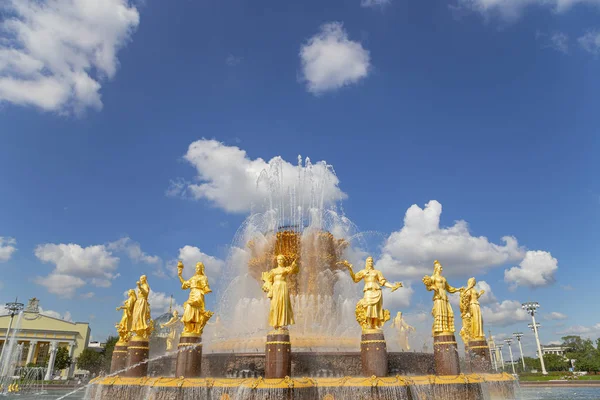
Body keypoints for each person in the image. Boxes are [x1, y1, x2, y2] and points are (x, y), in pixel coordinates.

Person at [338, 256, 402, 331]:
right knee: (368, 306)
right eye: (368, 261)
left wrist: (392, 286)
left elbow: (383, 282)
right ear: (366, 262)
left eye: (371, 261)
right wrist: (350, 269)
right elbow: (355, 279)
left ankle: (375, 325)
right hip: (368, 291)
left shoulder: (377, 272)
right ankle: (368, 324)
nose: (370, 262)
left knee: (376, 308)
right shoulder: (363, 271)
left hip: (377, 290)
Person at [422, 260, 461, 335]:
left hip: (444, 296)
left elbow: (449, 288)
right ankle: (439, 329)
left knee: (448, 312)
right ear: (436, 268)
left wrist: (458, 289)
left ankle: (446, 328)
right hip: (438, 297)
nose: (441, 269)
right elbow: (428, 287)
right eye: (440, 267)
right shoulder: (433, 277)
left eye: (441, 268)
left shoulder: (443, 278)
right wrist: (432, 287)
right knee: (439, 312)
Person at [261, 254, 298, 330]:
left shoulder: (285, 269)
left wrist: (294, 264)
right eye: (278, 259)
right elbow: (269, 280)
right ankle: (275, 323)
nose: (280, 261)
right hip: (275, 288)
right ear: (277, 261)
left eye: (281, 259)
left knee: (283, 304)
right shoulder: (273, 271)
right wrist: (268, 286)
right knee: (274, 305)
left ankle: (281, 324)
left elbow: (293, 270)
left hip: (283, 286)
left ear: (284, 261)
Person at [178, 261, 213, 335]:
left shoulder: (203, 277)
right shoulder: (193, 278)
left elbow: (205, 285)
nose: (197, 269)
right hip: (192, 293)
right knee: (188, 308)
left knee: (191, 306)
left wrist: (207, 289)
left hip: (198, 294)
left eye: (198, 268)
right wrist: (180, 275)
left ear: (201, 269)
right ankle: (189, 328)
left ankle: (196, 328)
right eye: (196, 268)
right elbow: (185, 284)